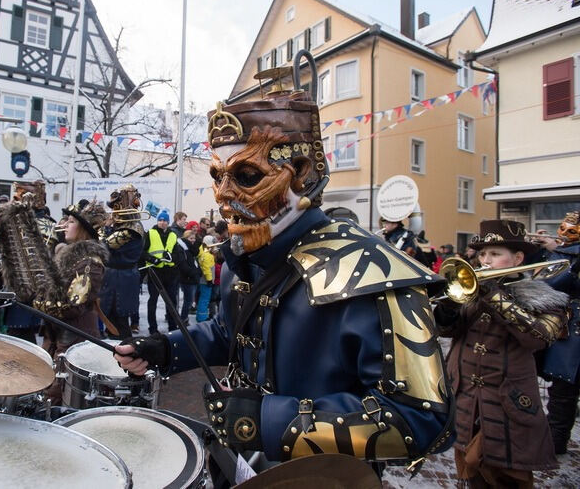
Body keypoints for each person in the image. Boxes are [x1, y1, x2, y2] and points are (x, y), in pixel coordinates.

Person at [115, 83, 453, 476]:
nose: (223, 196)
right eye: (217, 176)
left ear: (302, 175)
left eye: (246, 175)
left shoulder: (374, 272)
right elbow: (232, 334)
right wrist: (166, 349)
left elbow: (420, 420)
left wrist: (271, 421)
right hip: (238, 463)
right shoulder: (249, 256)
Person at [433, 220, 568, 487]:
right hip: (466, 398)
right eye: (482, 254)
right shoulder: (471, 292)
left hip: (509, 401)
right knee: (471, 472)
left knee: (507, 475)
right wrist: (447, 307)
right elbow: (446, 331)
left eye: (495, 254)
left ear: (517, 258)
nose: (485, 261)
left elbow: (537, 338)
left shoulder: (543, 297)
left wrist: (494, 295)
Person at [34, 200, 109, 403]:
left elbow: (72, 306)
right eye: (66, 219)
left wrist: (38, 303)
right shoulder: (67, 257)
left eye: (71, 220)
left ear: (84, 229)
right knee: (43, 392)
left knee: (58, 398)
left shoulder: (90, 263)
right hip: (55, 337)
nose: (64, 224)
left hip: (73, 341)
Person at [533, 211, 580, 455]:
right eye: (562, 228)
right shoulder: (564, 253)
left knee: (564, 390)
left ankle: (555, 442)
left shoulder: (568, 255)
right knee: (561, 391)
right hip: (566, 330)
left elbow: (552, 283)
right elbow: (539, 280)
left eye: (571, 231)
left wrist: (558, 251)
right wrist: (537, 252)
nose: (563, 235)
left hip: (573, 332)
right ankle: (555, 443)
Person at [99, 185, 146, 337]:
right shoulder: (124, 226)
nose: (113, 211)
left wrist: (105, 228)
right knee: (113, 320)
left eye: (116, 206)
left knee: (119, 321)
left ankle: (123, 352)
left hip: (121, 279)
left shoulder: (131, 228)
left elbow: (103, 245)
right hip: (117, 276)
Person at [142, 209, 183, 333]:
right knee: (153, 300)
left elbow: (178, 254)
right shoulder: (150, 233)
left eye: (165, 220)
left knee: (171, 302)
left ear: (168, 222)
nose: (162, 222)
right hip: (155, 271)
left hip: (170, 272)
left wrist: (171, 258)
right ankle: (153, 328)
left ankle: (172, 326)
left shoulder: (173, 234)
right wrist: (152, 259)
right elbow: (142, 252)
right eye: (160, 220)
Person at [177, 229, 202, 325]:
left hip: (193, 277)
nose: (193, 240)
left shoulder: (191, 248)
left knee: (189, 301)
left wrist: (198, 272)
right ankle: (183, 319)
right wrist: (194, 273)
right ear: (186, 238)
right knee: (188, 301)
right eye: (191, 238)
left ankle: (184, 318)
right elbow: (183, 264)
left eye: (194, 238)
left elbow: (194, 261)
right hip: (187, 278)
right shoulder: (182, 248)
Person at [196, 235, 215, 322]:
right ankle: (202, 318)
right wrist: (209, 279)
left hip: (203, 280)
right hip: (206, 281)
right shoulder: (207, 254)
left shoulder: (202, 250)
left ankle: (201, 316)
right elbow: (207, 268)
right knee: (204, 299)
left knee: (203, 299)